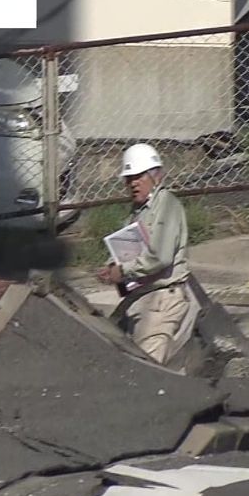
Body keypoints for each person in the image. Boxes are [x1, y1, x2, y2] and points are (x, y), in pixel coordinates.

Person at [96, 143, 197, 365]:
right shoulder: (139, 210)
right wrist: (111, 266)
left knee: (149, 369)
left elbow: (159, 257)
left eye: (139, 176)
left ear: (156, 176)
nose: (133, 183)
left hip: (162, 300)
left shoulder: (167, 204)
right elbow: (130, 247)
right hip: (142, 297)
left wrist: (121, 271)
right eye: (129, 178)